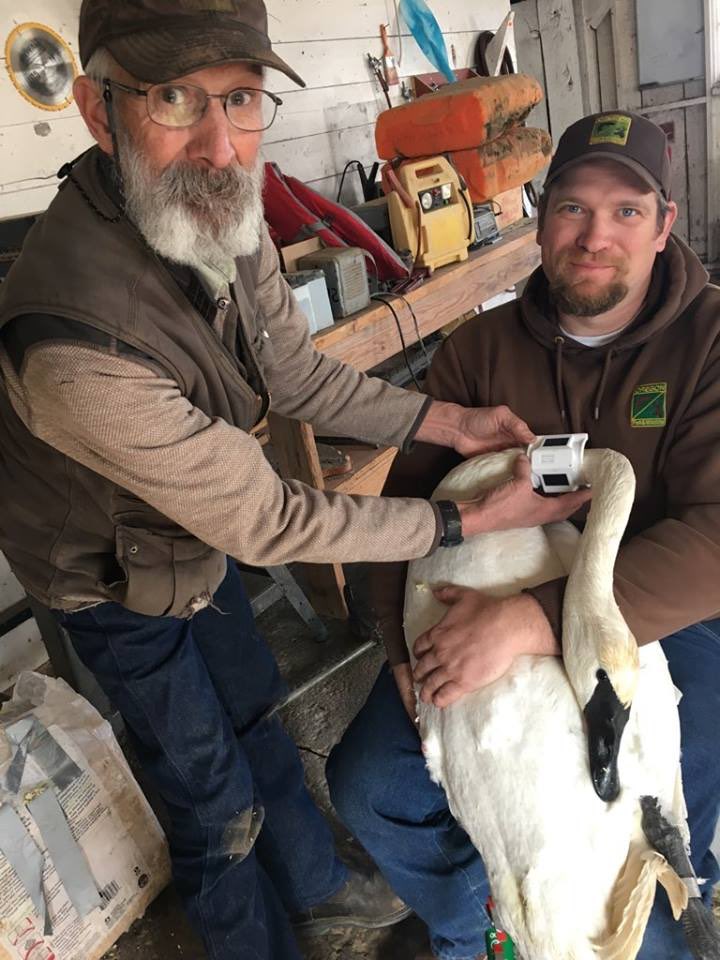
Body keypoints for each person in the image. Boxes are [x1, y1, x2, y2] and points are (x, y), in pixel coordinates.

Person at [0, 3, 591, 959]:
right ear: (98, 112)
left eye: (240, 99)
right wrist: (463, 522)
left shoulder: (216, 213)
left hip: (192, 526)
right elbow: (268, 519)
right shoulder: (71, 342)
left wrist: (451, 420)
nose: (220, 143)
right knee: (207, 793)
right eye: (174, 98)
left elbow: (294, 374)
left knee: (260, 708)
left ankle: (320, 885)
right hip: (105, 571)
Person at [327, 110, 720, 960]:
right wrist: (399, 651)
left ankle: (653, 923)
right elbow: (405, 502)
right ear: (541, 220)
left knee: (633, 836)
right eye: (574, 207)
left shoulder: (710, 346)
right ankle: (490, 928)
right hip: (489, 593)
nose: (595, 236)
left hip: (663, 613)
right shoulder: (475, 353)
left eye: (626, 211)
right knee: (370, 787)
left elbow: (716, 540)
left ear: (664, 227)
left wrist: (536, 622)